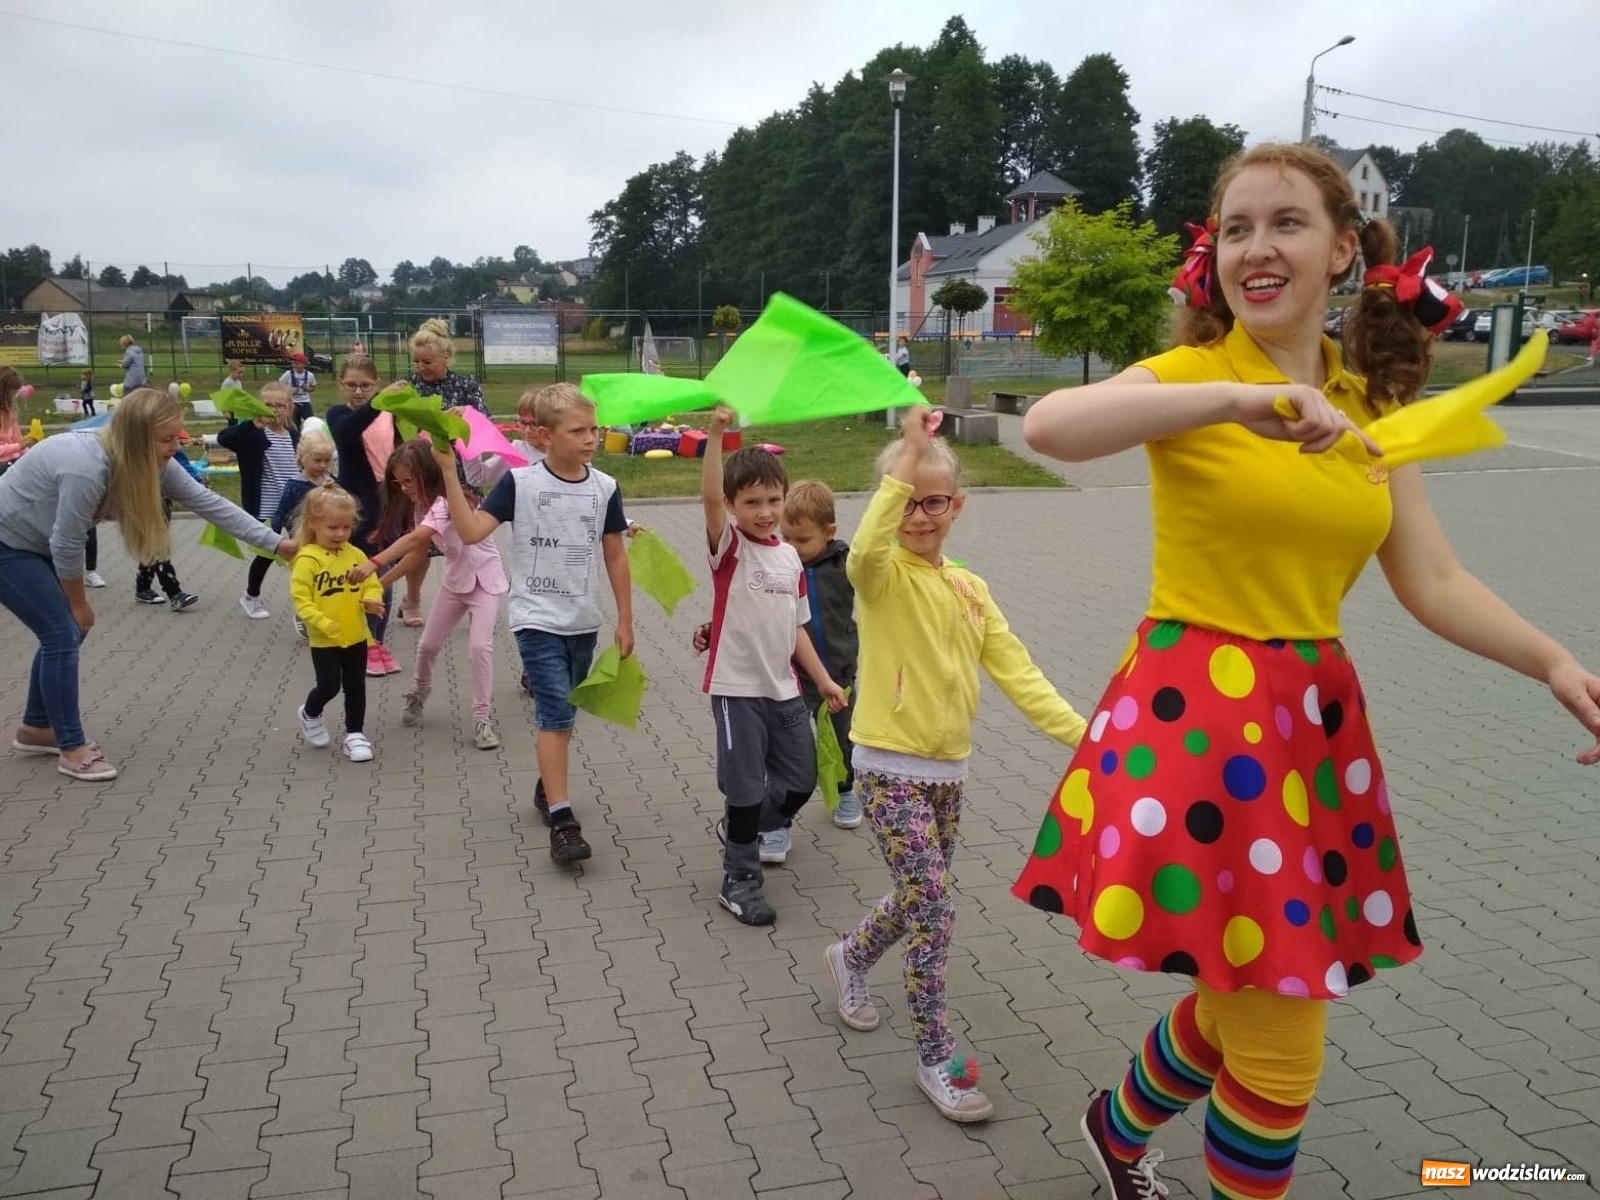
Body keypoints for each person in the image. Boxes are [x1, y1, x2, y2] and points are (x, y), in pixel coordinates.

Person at [1008, 143, 1600, 1200]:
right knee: (1279, 1049)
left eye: (1283, 224)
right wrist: (1235, 403)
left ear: (1341, 250)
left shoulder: (1365, 401)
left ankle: (1113, 1127)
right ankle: (1120, 1136)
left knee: (1247, 986)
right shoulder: (1195, 378)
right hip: (1196, 726)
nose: (1255, 249)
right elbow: (1052, 427)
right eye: (1234, 230)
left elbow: (1432, 577)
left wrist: (1554, 661)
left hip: (1304, 730)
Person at [825, 412, 1086, 1124]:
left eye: (933, 500)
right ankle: (936, 1053)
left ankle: (850, 956)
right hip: (886, 768)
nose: (918, 515)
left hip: (949, 774)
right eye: (905, 499)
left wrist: (1091, 740)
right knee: (935, 906)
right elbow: (863, 553)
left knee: (920, 895)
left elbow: (1021, 674)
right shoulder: (880, 577)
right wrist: (907, 457)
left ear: (957, 505)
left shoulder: (972, 589)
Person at [0, 388, 293, 781]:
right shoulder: (85, 466)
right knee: (62, 631)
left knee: (61, 634)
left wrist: (279, 544)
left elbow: (210, 504)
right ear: (138, 437)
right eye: (167, 439)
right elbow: (67, 543)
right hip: (9, 542)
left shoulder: (153, 462)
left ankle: (37, 728)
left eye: (179, 436)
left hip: (36, 541)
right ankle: (72, 748)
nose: (177, 446)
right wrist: (80, 603)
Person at [429, 383, 634, 865]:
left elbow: (615, 555)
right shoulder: (520, 484)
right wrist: (447, 472)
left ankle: (548, 786)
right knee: (555, 714)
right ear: (543, 435)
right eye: (578, 431)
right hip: (535, 620)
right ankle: (562, 821)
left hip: (583, 622)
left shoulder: (605, 487)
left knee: (566, 715)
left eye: (594, 429)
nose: (591, 439)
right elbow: (473, 529)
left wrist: (625, 619)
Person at [702, 406, 846, 925]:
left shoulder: (790, 558)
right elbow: (709, 496)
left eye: (773, 501)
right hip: (736, 689)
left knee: (800, 779)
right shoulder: (730, 547)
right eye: (752, 502)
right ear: (733, 505)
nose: (764, 511)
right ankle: (738, 877)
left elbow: (796, 627)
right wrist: (717, 436)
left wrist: (824, 679)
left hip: (784, 688)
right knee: (743, 786)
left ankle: (740, 826)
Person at [695, 479, 863, 832]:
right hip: (791, 680)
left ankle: (845, 788)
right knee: (784, 756)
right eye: (788, 538)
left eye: (804, 540)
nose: (794, 547)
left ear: (829, 532)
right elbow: (750, 608)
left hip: (839, 675)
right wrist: (714, 628)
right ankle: (775, 825)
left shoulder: (847, 565)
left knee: (845, 739)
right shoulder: (779, 560)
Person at [352, 441, 509, 751]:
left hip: (485, 582)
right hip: (455, 582)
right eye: (398, 482)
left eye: (409, 480)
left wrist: (372, 563)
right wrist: (381, 583)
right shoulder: (422, 505)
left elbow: (415, 539)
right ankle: (420, 692)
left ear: (426, 473)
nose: (403, 487)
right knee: (427, 646)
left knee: (480, 648)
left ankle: (482, 719)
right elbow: (416, 554)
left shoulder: (449, 501)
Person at [401, 317, 493, 628]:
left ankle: (471, 597)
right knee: (422, 542)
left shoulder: (466, 385)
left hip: (462, 473)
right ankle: (412, 598)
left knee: (468, 540)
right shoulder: (409, 386)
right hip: (422, 471)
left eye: (427, 361)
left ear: (446, 357)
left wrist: (465, 413)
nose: (421, 367)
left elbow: (485, 423)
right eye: (416, 361)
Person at [324, 354, 412, 676]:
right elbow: (347, 434)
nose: (358, 391)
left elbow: (404, 449)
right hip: (355, 507)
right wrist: (378, 401)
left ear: (375, 382)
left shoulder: (388, 415)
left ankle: (374, 641)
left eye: (365, 385)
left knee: (382, 569)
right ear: (341, 384)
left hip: (387, 503)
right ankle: (353, 638)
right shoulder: (338, 414)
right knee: (353, 572)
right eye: (352, 385)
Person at [290, 485, 384, 763]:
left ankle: (355, 734)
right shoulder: (307, 560)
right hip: (324, 638)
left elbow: (372, 582)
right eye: (332, 527)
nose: (340, 534)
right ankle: (310, 712)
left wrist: (370, 599)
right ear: (313, 524)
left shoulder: (355, 554)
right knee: (330, 684)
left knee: (356, 686)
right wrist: (321, 623)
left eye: (345, 527)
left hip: (355, 634)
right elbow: (301, 600)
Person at [219, 382, 300, 621]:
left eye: (280, 405)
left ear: (289, 408)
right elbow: (226, 438)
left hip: (295, 507)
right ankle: (251, 596)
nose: (274, 410)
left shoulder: (294, 436)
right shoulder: (253, 435)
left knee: (302, 552)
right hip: (267, 507)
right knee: (267, 554)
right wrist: (252, 424)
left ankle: (307, 600)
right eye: (268, 405)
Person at [281, 352, 317, 424]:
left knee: (310, 421)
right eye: (293, 363)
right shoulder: (288, 374)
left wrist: (308, 388)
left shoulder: (310, 375)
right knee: (294, 423)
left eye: (297, 364)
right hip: (293, 401)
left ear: (303, 364)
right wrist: (289, 390)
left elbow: (313, 387)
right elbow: (279, 385)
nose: (294, 366)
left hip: (305, 401)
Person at [0, 366, 22, 476]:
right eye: (13, 392)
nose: (15, 396)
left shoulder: (10, 412)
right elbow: (18, 445)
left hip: (13, 461)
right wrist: (19, 447)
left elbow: (17, 440)